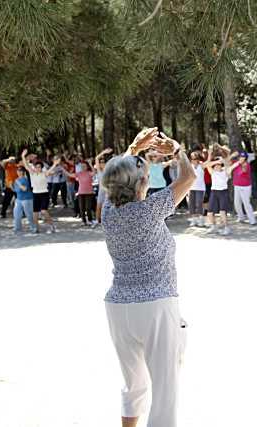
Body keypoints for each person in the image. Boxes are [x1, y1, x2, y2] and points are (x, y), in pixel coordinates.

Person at [101, 127, 195, 427]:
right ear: (142, 183)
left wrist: (133, 148)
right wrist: (178, 150)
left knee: (134, 384)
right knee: (165, 390)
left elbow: (117, 174)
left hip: (118, 306)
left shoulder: (108, 210)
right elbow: (188, 178)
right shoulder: (149, 210)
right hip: (155, 305)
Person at [21, 150, 56, 233]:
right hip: (35, 194)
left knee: (44, 211)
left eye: (39, 167)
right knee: (35, 213)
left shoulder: (44, 173)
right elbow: (26, 166)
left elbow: (50, 171)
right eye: (36, 167)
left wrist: (55, 164)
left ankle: (51, 225)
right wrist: (23, 156)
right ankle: (36, 228)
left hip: (44, 194)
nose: (38, 169)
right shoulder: (32, 173)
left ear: (41, 168)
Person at [60, 159, 95, 226]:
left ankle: (90, 220)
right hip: (81, 192)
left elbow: (94, 172)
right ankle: (83, 221)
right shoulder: (79, 174)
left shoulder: (89, 173)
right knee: (81, 208)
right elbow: (69, 175)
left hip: (89, 192)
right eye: (82, 166)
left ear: (87, 167)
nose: (83, 167)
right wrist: (63, 169)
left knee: (88, 207)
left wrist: (90, 164)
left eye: (84, 166)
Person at [203, 156, 231, 235]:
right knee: (209, 212)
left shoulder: (225, 171)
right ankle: (213, 226)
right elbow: (207, 165)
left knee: (222, 212)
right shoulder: (212, 172)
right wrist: (216, 161)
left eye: (219, 164)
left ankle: (226, 228)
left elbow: (228, 166)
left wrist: (222, 161)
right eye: (216, 165)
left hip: (223, 192)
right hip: (214, 192)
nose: (217, 166)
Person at [228, 151, 257, 225]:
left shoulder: (246, 165)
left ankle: (252, 220)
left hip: (245, 187)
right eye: (241, 157)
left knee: (246, 203)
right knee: (236, 203)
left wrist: (241, 164)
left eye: (243, 157)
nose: (242, 158)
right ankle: (241, 217)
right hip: (237, 186)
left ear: (246, 158)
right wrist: (232, 156)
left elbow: (244, 170)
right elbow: (227, 161)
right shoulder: (235, 163)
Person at [12, 166, 37, 234]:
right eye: (18, 171)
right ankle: (17, 228)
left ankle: (34, 227)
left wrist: (18, 183)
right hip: (19, 199)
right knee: (16, 214)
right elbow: (16, 190)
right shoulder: (16, 180)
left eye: (20, 171)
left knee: (29, 214)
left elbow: (24, 189)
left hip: (27, 199)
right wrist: (13, 197)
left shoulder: (25, 179)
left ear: (23, 172)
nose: (19, 172)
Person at [94, 148, 113, 224]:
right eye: (100, 163)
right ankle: (97, 220)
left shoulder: (110, 171)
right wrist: (104, 152)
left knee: (109, 207)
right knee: (99, 206)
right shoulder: (99, 171)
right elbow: (96, 158)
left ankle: (108, 221)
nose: (102, 164)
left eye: (103, 162)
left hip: (109, 191)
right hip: (101, 191)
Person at [187, 151, 206, 227]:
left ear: (198, 159)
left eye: (195, 158)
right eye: (192, 158)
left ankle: (201, 219)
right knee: (191, 204)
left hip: (200, 188)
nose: (193, 160)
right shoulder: (189, 166)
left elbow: (208, 163)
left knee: (199, 203)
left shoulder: (201, 165)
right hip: (191, 188)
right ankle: (194, 219)